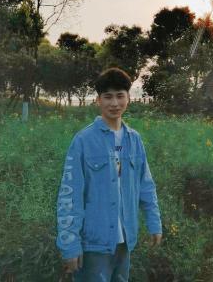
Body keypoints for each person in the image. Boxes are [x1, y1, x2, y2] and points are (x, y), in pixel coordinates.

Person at [56, 67, 163, 281]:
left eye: (120, 96)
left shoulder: (134, 140)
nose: (114, 103)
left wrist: (154, 223)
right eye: (108, 97)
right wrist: (70, 243)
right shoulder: (83, 141)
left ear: (128, 98)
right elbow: (70, 196)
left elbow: (146, 187)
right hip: (93, 244)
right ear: (98, 100)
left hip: (125, 242)